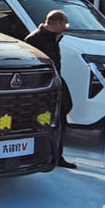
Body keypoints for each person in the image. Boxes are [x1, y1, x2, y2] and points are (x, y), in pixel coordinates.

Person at [24, 9, 77, 169]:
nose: (65, 28)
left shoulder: (51, 38)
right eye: (64, 24)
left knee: (59, 121)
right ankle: (44, 155)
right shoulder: (35, 39)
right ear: (57, 22)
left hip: (53, 84)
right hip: (43, 89)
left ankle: (56, 156)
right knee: (44, 122)